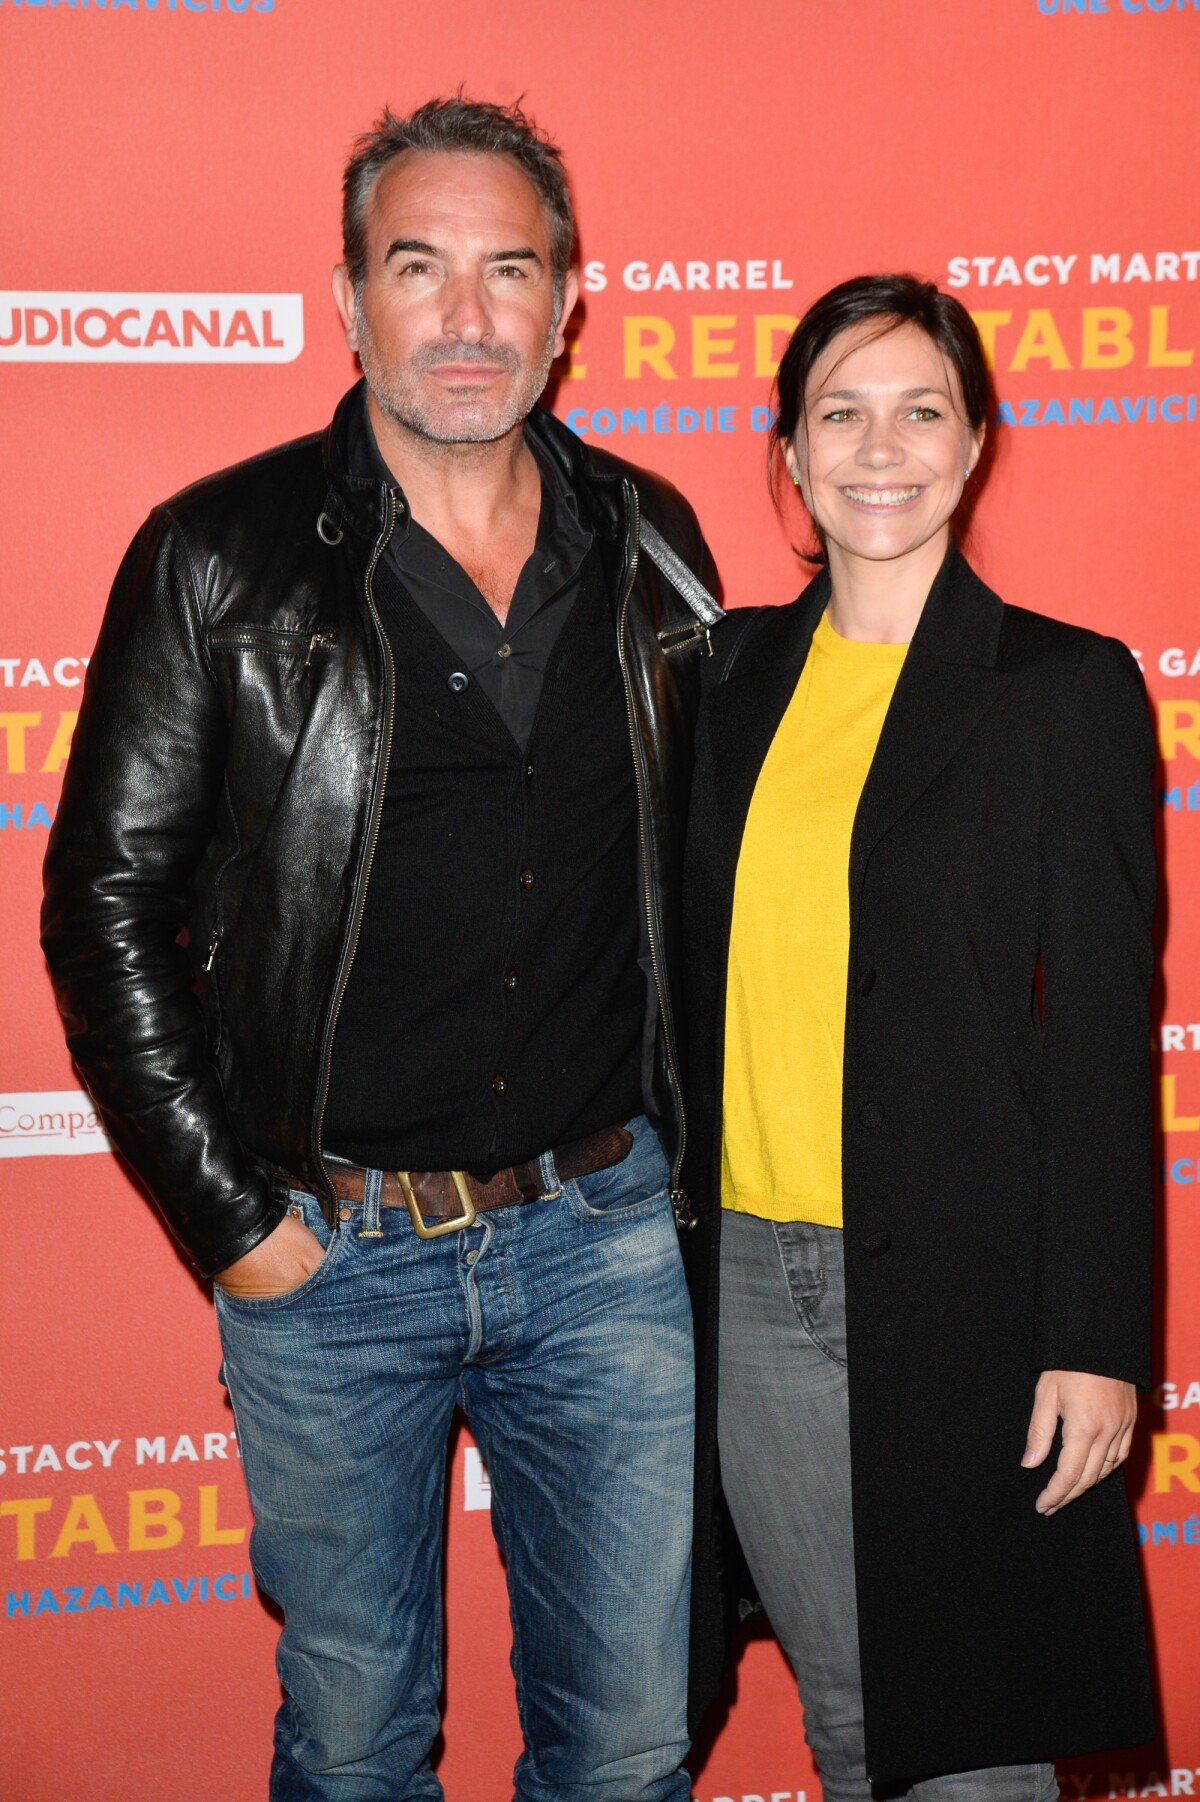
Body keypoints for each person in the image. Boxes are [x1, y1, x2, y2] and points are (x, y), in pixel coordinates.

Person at [41, 96, 723, 1802]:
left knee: (632, 1742)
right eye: (419, 268)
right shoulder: (217, 556)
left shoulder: (655, 547)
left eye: (511, 270)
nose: (469, 316)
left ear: (575, 302)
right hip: (330, 1253)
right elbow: (106, 906)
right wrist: (239, 1222)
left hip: (605, 1241)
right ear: (348, 300)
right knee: (354, 1745)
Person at [681, 274, 1156, 1796]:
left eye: (921, 411)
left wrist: (1094, 1338)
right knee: (853, 1723)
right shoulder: (727, 680)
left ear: (974, 447)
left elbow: (1098, 1038)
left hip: (973, 1294)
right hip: (753, 1281)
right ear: (790, 454)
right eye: (841, 412)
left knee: (974, 1747)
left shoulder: (1061, 690)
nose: (879, 449)